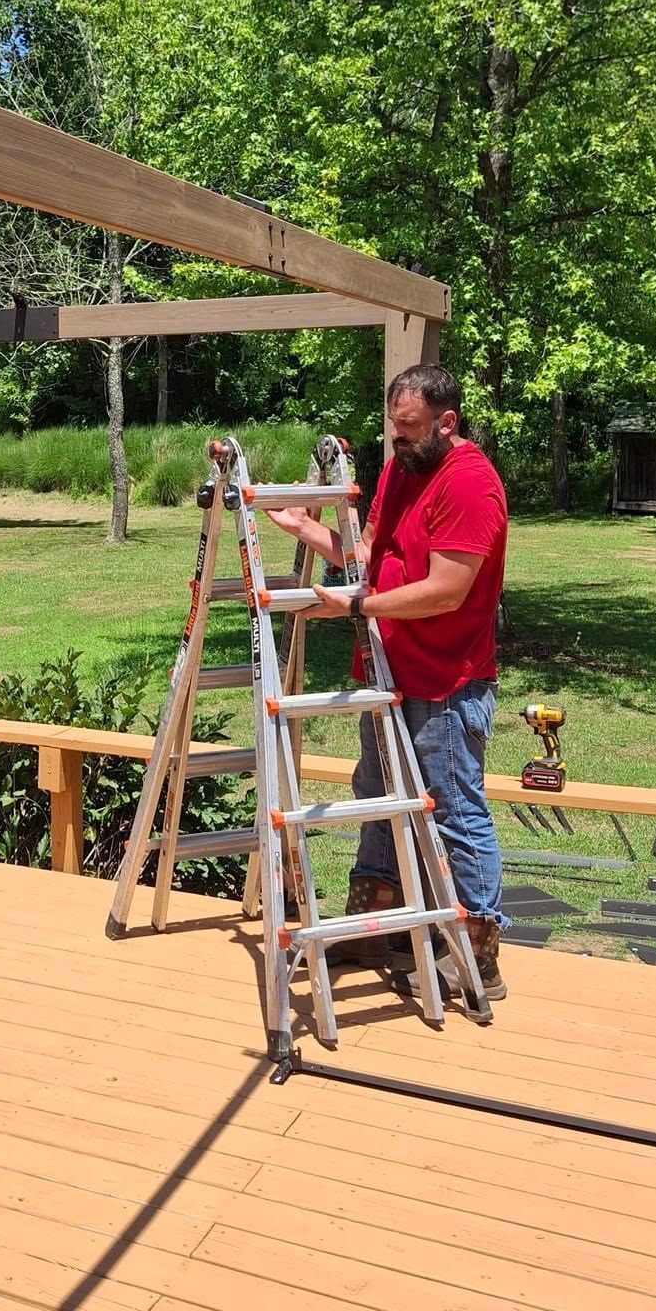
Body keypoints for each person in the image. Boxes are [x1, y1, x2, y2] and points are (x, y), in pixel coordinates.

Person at [268, 365, 509, 999]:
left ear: (446, 422)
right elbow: (370, 557)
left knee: (453, 810)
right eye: (393, 425)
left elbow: (446, 591)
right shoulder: (402, 469)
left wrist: (356, 606)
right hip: (389, 669)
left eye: (408, 426)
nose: (396, 438)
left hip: (446, 678)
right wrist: (307, 531)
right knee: (375, 793)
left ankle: (477, 953)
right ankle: (377, 925)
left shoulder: (470, 483)